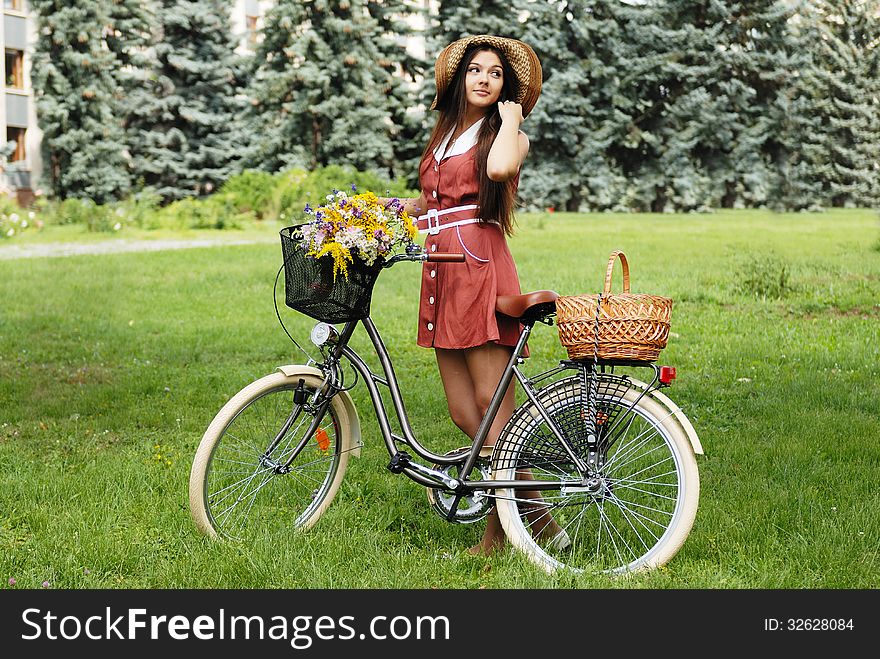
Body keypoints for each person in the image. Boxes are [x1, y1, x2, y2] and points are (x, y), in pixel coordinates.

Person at [382, 34, 564, 556]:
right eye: (476, 70)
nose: (484, 78)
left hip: (480, 266)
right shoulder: (444, 135)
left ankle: (499, 535)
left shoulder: (506, 135)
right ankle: (542, 519)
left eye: (496, 74)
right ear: (461, 79)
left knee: (493, 408)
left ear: (507, 88)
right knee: (466, 412)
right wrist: (382, 210)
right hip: (440, 269)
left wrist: (511, 121)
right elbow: (431, 199)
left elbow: (501, 170)